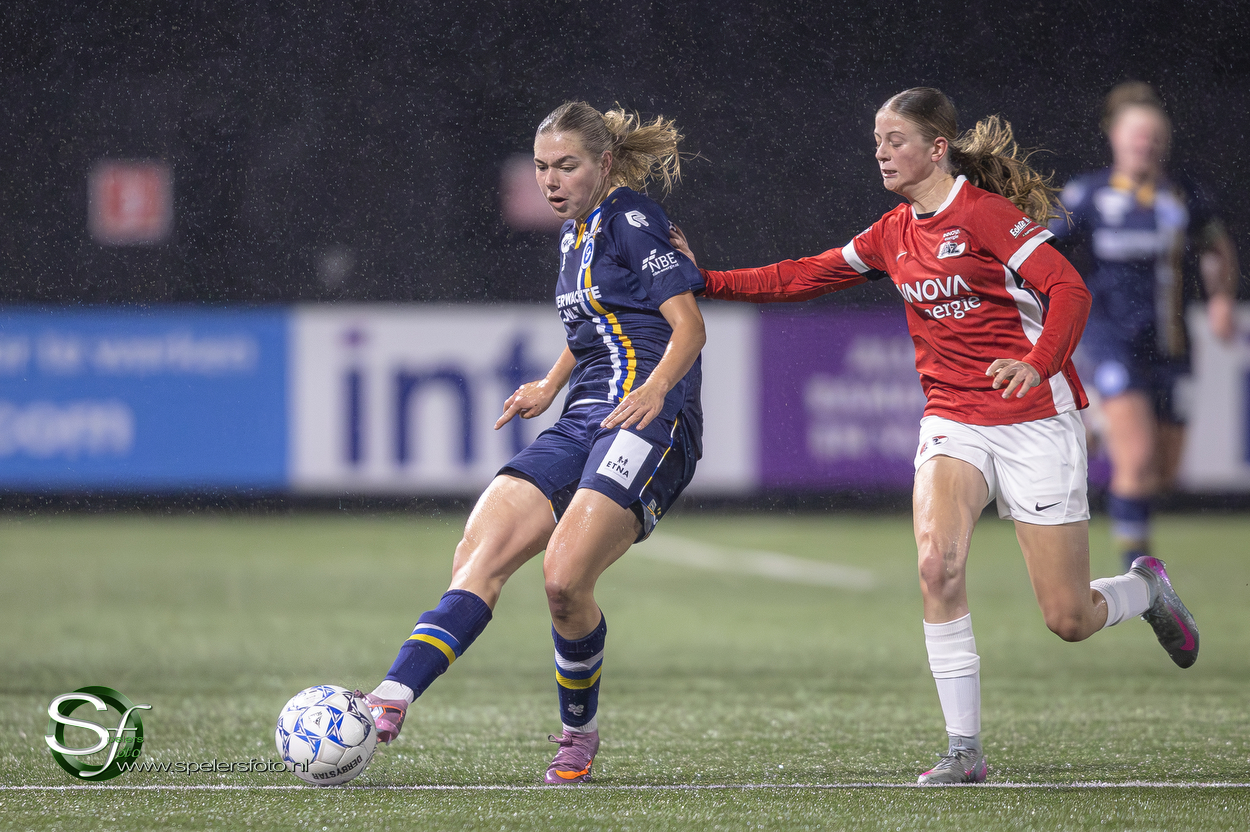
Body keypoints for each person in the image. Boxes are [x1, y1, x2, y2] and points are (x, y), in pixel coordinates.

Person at [668, 87, 1198, 785]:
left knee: (1069, 618)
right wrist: (706, 280)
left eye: (896, 140)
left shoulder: (984, 215)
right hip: (954, 419)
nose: (882, 153)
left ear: (937, 148)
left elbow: (1070, 290)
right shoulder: (892, 232)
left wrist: (1038, 364)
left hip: (1036, 420)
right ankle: (964, 751)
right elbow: (804, 275)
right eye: (877, 142)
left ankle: (1145, 590)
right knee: (936, 566)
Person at [362, 101, 706, 785]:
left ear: (604, 162)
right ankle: (390, 696)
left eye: (566, 166)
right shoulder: (575, 234)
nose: (550, 180)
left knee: (563, 580)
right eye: (542, 166)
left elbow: (689, 327)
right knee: (479, 550)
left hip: (649, 417)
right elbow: (595, 324)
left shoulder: (632, 220)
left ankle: (577, 735)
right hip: (583, 417)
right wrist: (550, 384)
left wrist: (656, 390)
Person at [1048, 81, 1239, 572]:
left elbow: (1216, 247)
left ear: (1164, 141)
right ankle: (1138, 576)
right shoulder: (1089, 194)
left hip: (1172, 344)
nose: (1145, 144)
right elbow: (1044, 249)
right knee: (1135, 460)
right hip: (1113, 341)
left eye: (1153, 136)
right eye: (1136, 135)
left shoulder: (1184, 194)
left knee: (1164, 472)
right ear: (1114, 137)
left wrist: (1221, 298)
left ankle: (1098, 421)